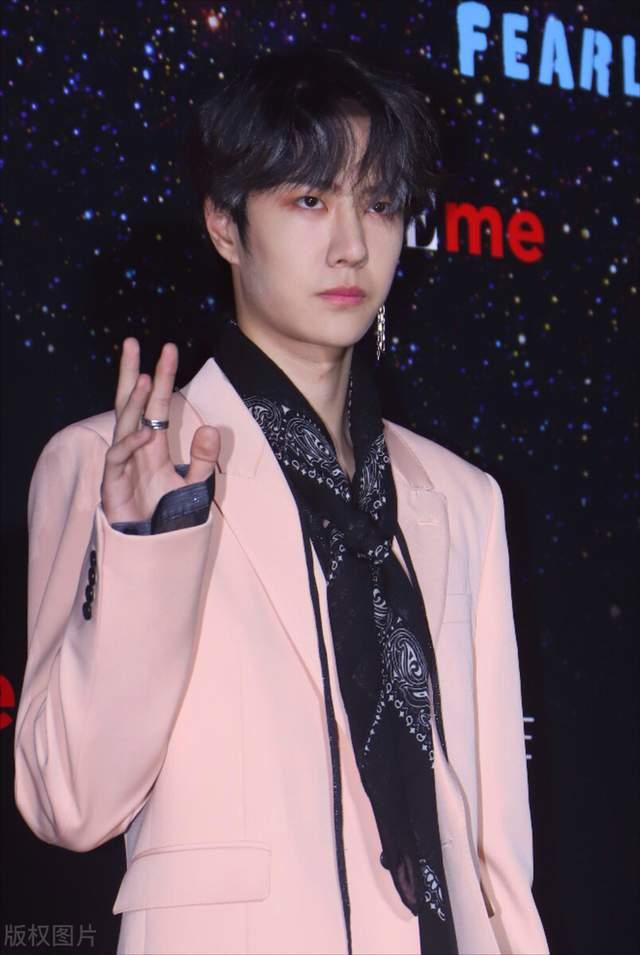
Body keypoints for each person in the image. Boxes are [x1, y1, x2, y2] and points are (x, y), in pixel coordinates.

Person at [13, 45, 549, 955]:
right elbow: (69, 800)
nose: (352, 245)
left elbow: (499, 853)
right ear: (226, 225)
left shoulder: (462, 499)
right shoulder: (109, 463)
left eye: (379, 204)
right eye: (309, 200)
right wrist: (145, 543)